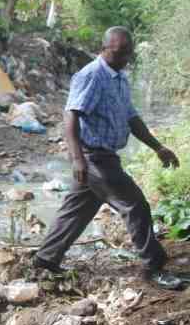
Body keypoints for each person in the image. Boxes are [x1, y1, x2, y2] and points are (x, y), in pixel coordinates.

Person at [34, 26, 180, 285]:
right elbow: (70, 116)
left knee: (77, 210)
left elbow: (132, 119)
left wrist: (158, 147)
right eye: (119, 51)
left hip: (106, 155)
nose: (125, 56)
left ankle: (45, 259)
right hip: (93, 157)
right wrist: (77, 158)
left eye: (128, 52)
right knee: (135, 205)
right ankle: (154, 268)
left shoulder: (120, 78)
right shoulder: (91, 75)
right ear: (105, 48)